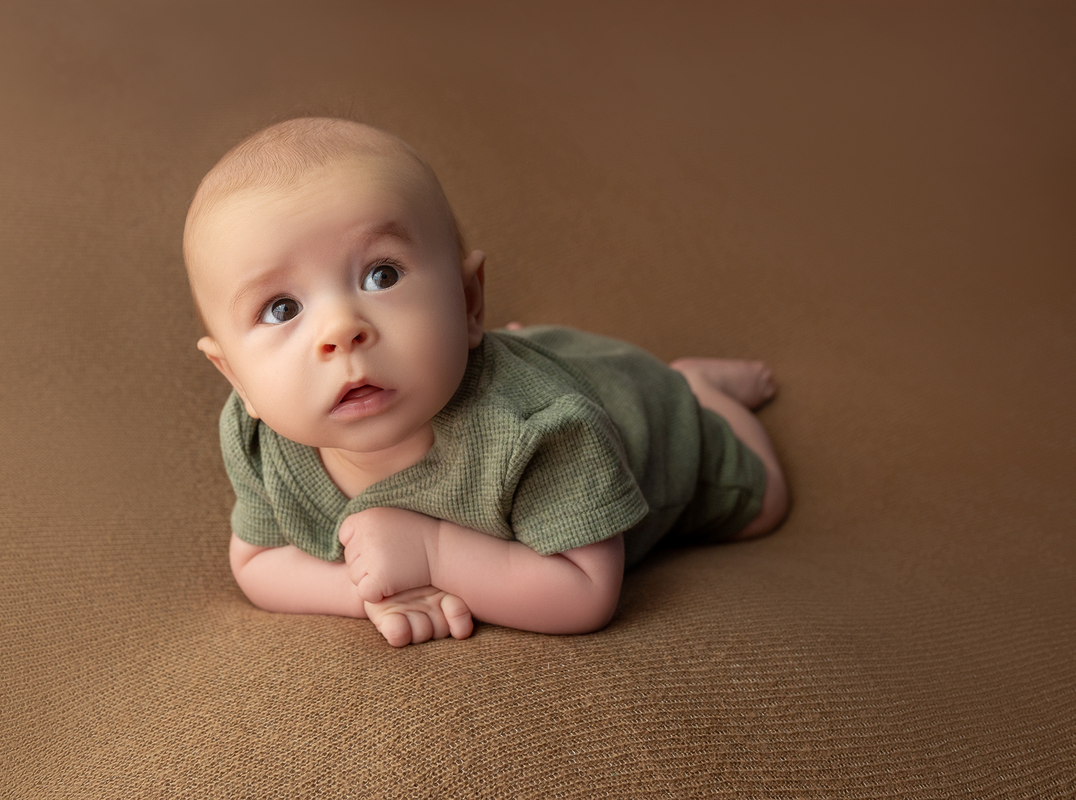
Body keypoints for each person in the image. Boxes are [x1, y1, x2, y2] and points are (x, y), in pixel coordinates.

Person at [183, 117, 789, 647]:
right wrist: (366, 591)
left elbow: (586, 592)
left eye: (381, 274)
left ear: (470, 301)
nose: (341, 330)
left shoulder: (538, 429)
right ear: (236, 377)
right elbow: (258, 560)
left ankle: (701, 387)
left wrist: (431, 554)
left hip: (655, 420)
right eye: (282, 309)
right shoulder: (257, 436)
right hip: (530, 355)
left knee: (765, 505)